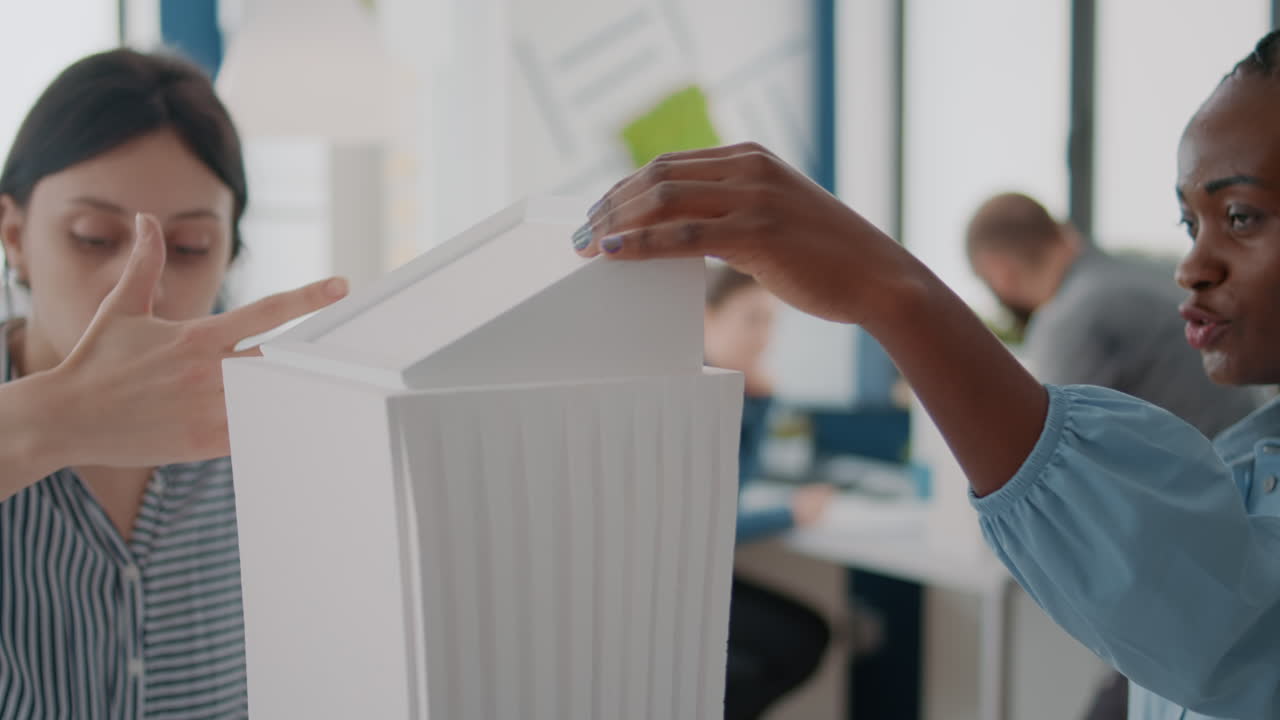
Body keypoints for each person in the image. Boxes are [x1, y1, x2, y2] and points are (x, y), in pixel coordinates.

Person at [574, 29, 1280, 720]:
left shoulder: (1081, 315)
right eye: (1191, 225)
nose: (1192, 267)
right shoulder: (1249, 450)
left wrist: (894, 294)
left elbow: (1231, 636)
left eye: (1241, 215)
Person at [0, 50, 345, 718]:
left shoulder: (273, 441)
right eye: (93, 237)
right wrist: (62, 418)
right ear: (14, 235)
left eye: (188, 249)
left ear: (228, 259)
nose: (144, 283)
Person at [966, 191, 1260, 439]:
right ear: (1062, 232)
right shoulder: (1148, 269)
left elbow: (1062, 465)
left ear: (1000, 271)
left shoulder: (1068, 319)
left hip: (1208, 493)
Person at [703, 263, 832, 719]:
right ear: (707, 318)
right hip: (687, 579)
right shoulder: (696, 400)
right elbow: (711, 525)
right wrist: (790, 515)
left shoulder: (732, 393)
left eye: (771, 321)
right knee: (804, 639)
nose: (764, 336)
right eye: (751, 319)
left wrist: (760, 402)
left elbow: (735, 488)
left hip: (707, 574)